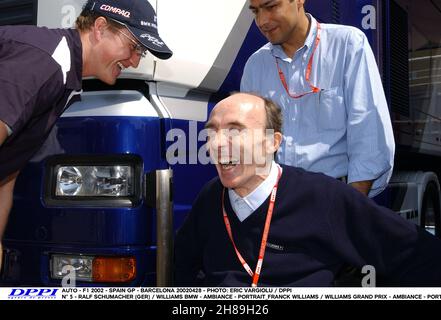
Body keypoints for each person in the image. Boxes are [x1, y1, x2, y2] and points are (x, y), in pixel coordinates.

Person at [174, 92, 441, 287]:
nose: (217, 144)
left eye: (234, 131)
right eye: (211, 133)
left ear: (272, 142)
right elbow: (180, 271)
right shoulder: (210, 198)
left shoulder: (323, 197)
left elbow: (415, 254)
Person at [0, 0, 172, 271]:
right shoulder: (46, 61)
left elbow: (6, 174)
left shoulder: (64, 80)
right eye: (134, 46)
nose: (135, 60)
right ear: (100, 28)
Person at [240, 0, 395, 197]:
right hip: (278, 202)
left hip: (335, 197)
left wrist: (350, 207)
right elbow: (251, 145)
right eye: (255, 11)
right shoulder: (255, 65)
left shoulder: (347, 44)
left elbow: (369, 131)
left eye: (271, 7)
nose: (262, 21)